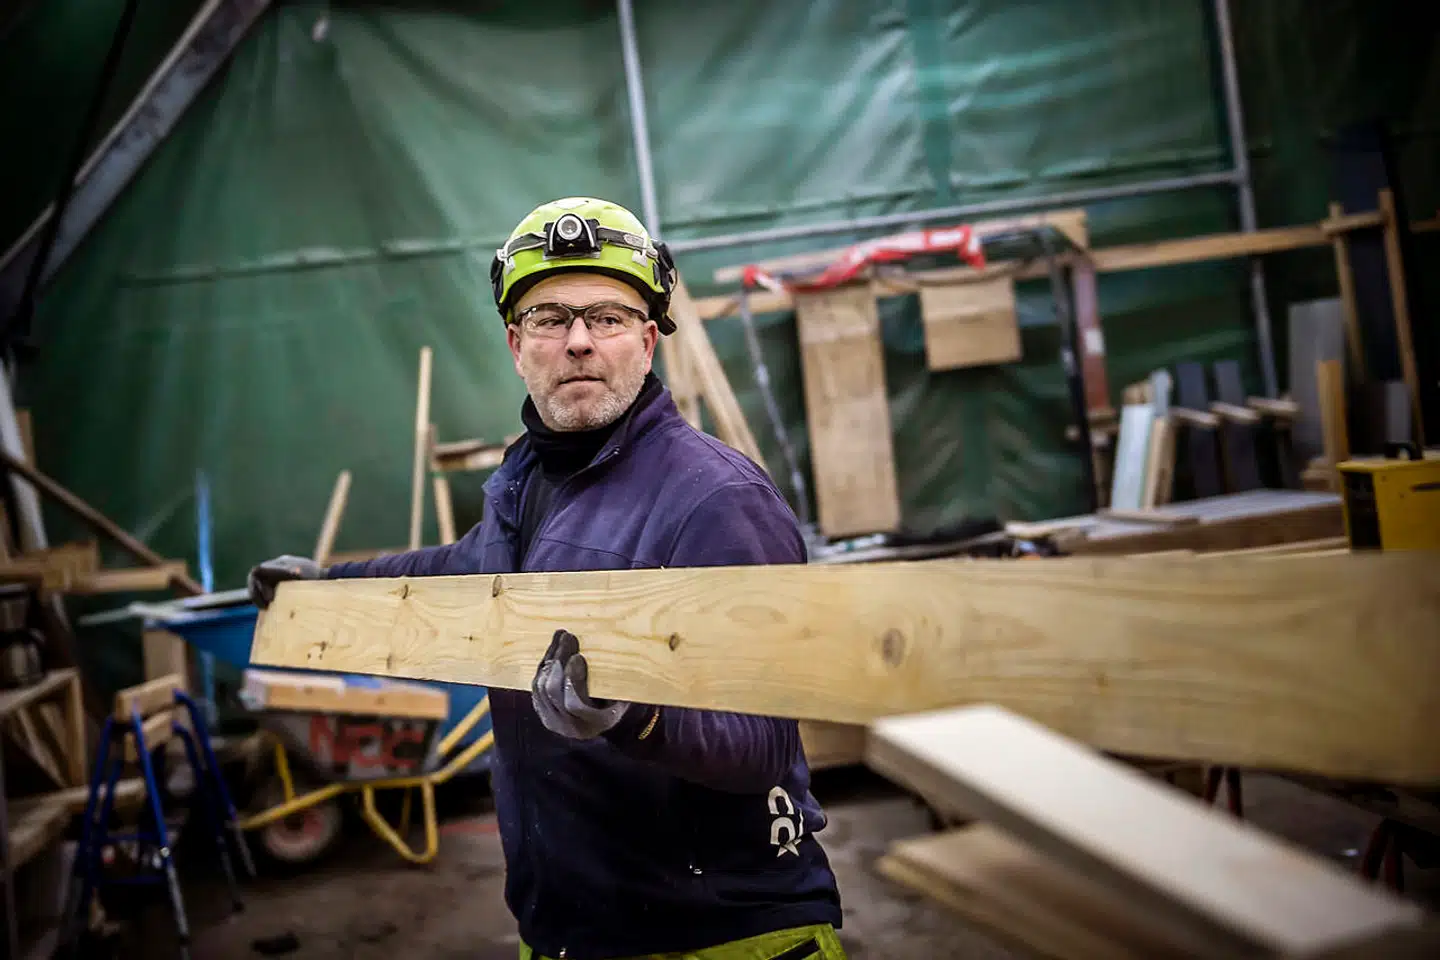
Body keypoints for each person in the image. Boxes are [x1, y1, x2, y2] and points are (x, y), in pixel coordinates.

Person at [247, 197, 846, 960]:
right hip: (566, 935)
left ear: (648, 341)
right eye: (549, 318)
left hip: (728, 938)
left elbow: (763, 743)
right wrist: (327, 585)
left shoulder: (716, 500)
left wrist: (636, 717)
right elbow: (457, 576)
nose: (578, 342)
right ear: (514, 344)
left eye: (608, 316)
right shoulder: (528, 480)